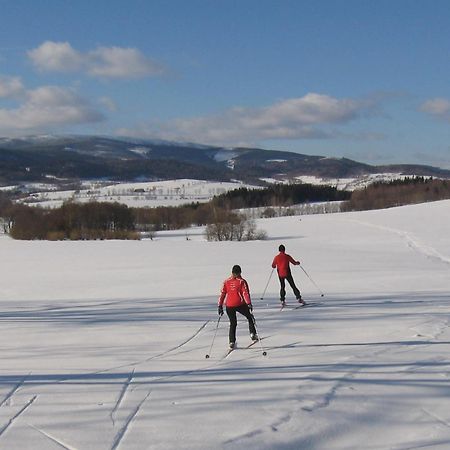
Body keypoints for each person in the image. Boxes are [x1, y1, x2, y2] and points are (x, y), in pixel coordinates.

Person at [218, 265, 257, 349]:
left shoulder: (226, 281)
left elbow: (222, 294)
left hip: (229, 305)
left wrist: (220, 305)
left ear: (232, 272)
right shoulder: (241, 281)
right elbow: (245, 293)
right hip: (239, 304)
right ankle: (253, 334)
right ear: (239, 272)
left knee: (233, 323)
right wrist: (249, 303)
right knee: (250, 317)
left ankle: (232, 342)